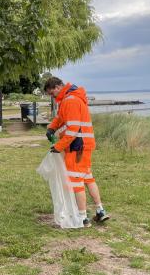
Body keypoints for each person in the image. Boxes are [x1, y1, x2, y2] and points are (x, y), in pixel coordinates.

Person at [44, 76, 109, 227]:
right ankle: (100, 211)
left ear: (57, 87)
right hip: (84, 145)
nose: (52, 97)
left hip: (77, 147)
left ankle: (82, 218)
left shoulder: (70, 100)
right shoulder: (71, 98)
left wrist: (59, 146)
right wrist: (51, 128)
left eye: (51, 93)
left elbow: (73, 130)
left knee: (76, 181)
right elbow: (61, 117)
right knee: (87, 177)